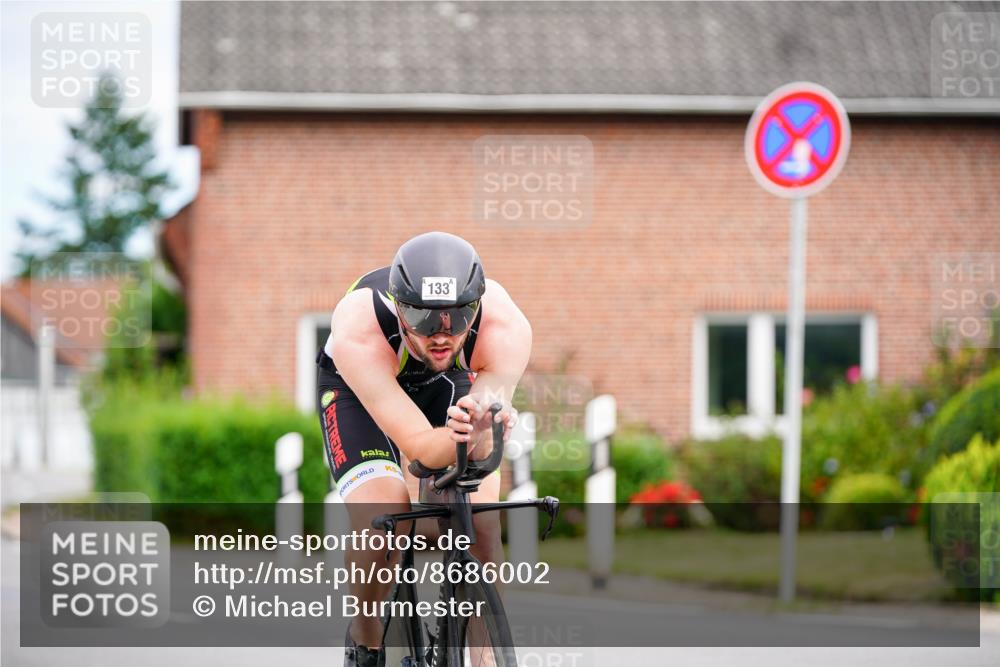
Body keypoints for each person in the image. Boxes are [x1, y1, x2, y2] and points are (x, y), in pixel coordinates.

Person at [316, 231, 532, 666]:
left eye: (455, 317)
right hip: (359, 391)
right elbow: (419, 450)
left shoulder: (505, 327)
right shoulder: (359, 326)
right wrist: (457, 442)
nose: (441, 335)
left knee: (482, 526)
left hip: (448, 386)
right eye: (424, 318)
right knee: (385, 522)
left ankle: (484, 656)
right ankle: (366, 634)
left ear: (476, 306)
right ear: (399, 308)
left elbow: (478, 436)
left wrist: (482, 430)